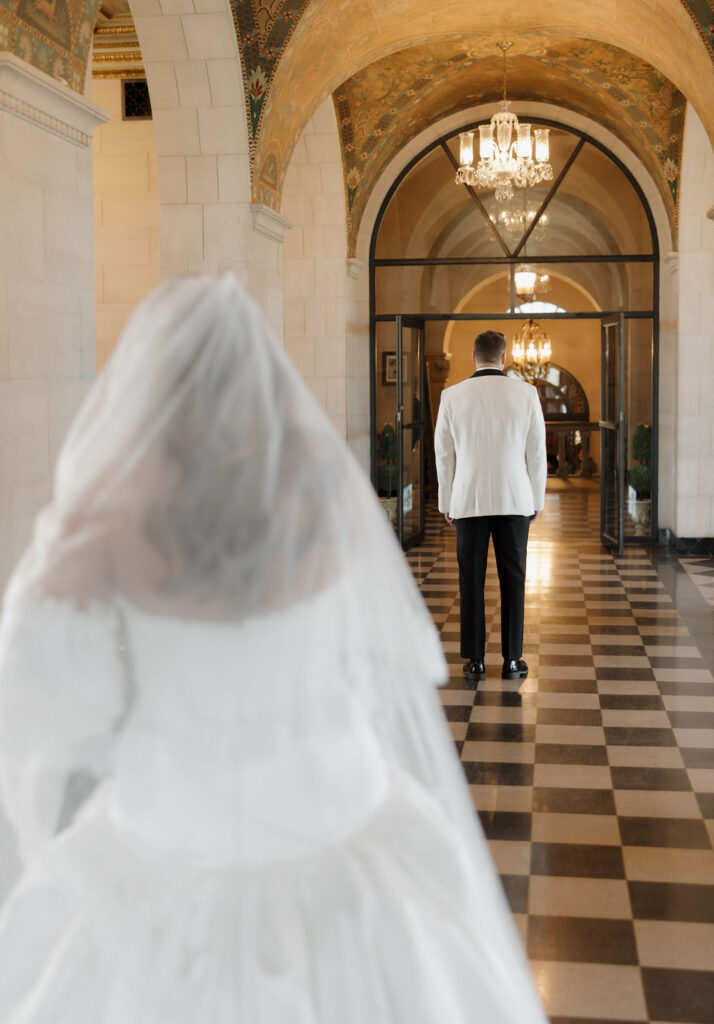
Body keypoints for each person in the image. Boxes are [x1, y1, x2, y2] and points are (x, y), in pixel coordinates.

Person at [0, 277, 547, 1023]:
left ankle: (490, 652)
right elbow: (369, 660)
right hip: (333, 812)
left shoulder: (111, 521)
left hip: (167, 826)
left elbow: (40, 695)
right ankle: (500, 656)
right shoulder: (316, 492)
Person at [434, 329, 546, 682]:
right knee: (514, 578)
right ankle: (512, 660)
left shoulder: (451, 395)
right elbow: (537, 453)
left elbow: (444, 454)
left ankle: (476, 661)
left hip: (468, 498)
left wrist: (445, 501)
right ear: (504, 358)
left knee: (471, 579)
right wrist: (537, 499)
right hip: (515, 499)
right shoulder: (526, 394)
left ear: (473, 356)